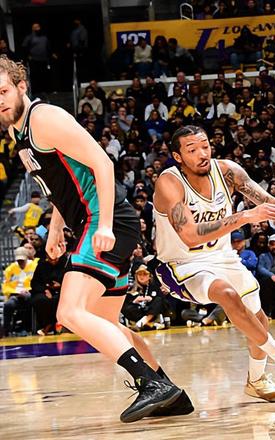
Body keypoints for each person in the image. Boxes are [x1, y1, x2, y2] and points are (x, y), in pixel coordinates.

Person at [0, 55, 186, 422]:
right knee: (107, 324)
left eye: (3, 91)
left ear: (21, 87)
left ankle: (151, 384)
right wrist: (56, 228)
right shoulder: (16, 133)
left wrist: (104, 226)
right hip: (94, 221)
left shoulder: (45, 118)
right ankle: (171, 394)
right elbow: (57, 186)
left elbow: (102, 162)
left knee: (69, 311)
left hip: (105, 219)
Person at [153, 125, 275, 405]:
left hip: (223, 257)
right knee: (227, 294)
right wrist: (244, 218)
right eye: (192, 150)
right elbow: (190, 236)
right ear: (178, 157)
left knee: (259, 319)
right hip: (181, 263)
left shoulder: (227, 170)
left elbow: (263, 199)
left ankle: (257, 380)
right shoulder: (169, 183)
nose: (202, 154)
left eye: (205, 146)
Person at [2, 247, 37, 336]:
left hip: (30, 292)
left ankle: (26, 327)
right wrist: (16, 292)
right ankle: (6, 330)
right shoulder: (10, 269)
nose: (20, 262)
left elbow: (38, 282)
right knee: (8, 305)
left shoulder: (34, 266)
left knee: (29, 300)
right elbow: (5, 286)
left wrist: (28, 290)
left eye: (22, 260)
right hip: (15, 294)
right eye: (19, 260)